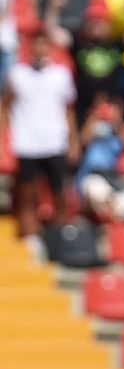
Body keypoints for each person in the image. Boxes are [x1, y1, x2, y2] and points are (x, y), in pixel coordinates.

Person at [1, 33, 77, 257]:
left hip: (54, 142)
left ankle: (58, 237)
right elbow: (5, 104)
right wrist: (4, 136)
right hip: (26, 143)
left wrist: (73, 140)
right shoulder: (18, 74)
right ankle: (30, 239)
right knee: (26, 194)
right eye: (36, 45)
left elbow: (68, 109)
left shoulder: (61, 75)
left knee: (60, 192)